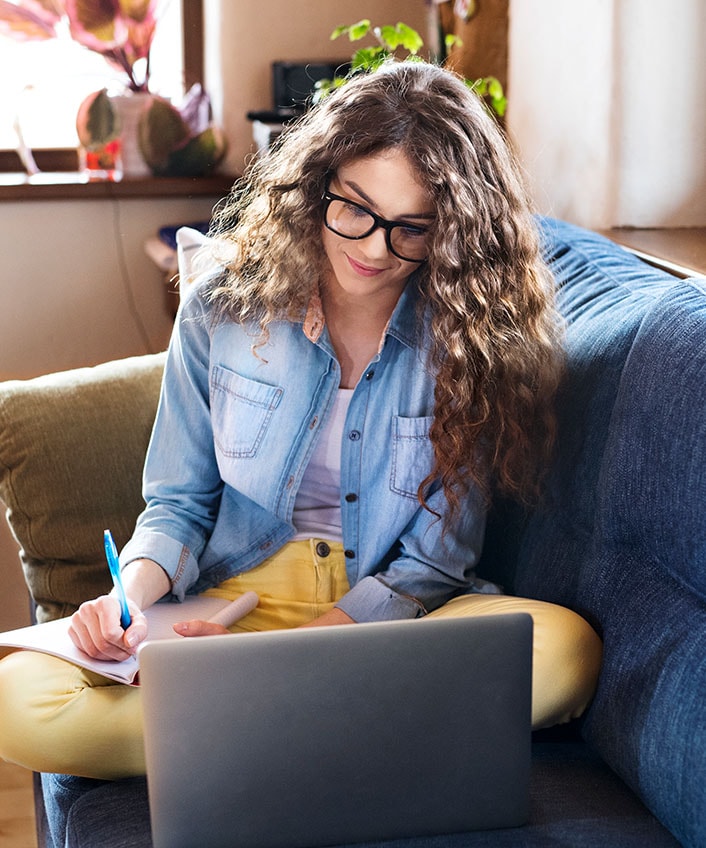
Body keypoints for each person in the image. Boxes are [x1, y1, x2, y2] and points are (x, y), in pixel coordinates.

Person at [0, 60, 601, 780]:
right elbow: (178, 507)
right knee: (21, 701)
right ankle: (328, 731)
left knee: (564, 652)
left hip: (383, 619)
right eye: (356, 209)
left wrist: (295, 658)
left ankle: (237, 730)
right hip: (233, 603)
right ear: (317, 183)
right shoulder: (222, 308)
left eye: (411, 229)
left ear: (451, 230)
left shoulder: (470, 339)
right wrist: (126, 596)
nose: (376, 249)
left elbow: (433, 564)